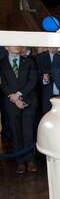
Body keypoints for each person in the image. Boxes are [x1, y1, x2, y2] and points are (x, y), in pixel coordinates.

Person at [0, 46, 38, 174]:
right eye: (13, 43)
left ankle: (30, 161)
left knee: (28, 132)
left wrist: (19, 94)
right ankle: (20, 162)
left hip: (28, 101)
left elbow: (32, 81)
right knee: (16, 133)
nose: (17, 46)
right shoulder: (1, 63)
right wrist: (15, 99)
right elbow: (3, 84)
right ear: (6, 47)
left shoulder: (29, 61)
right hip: (11, 103)